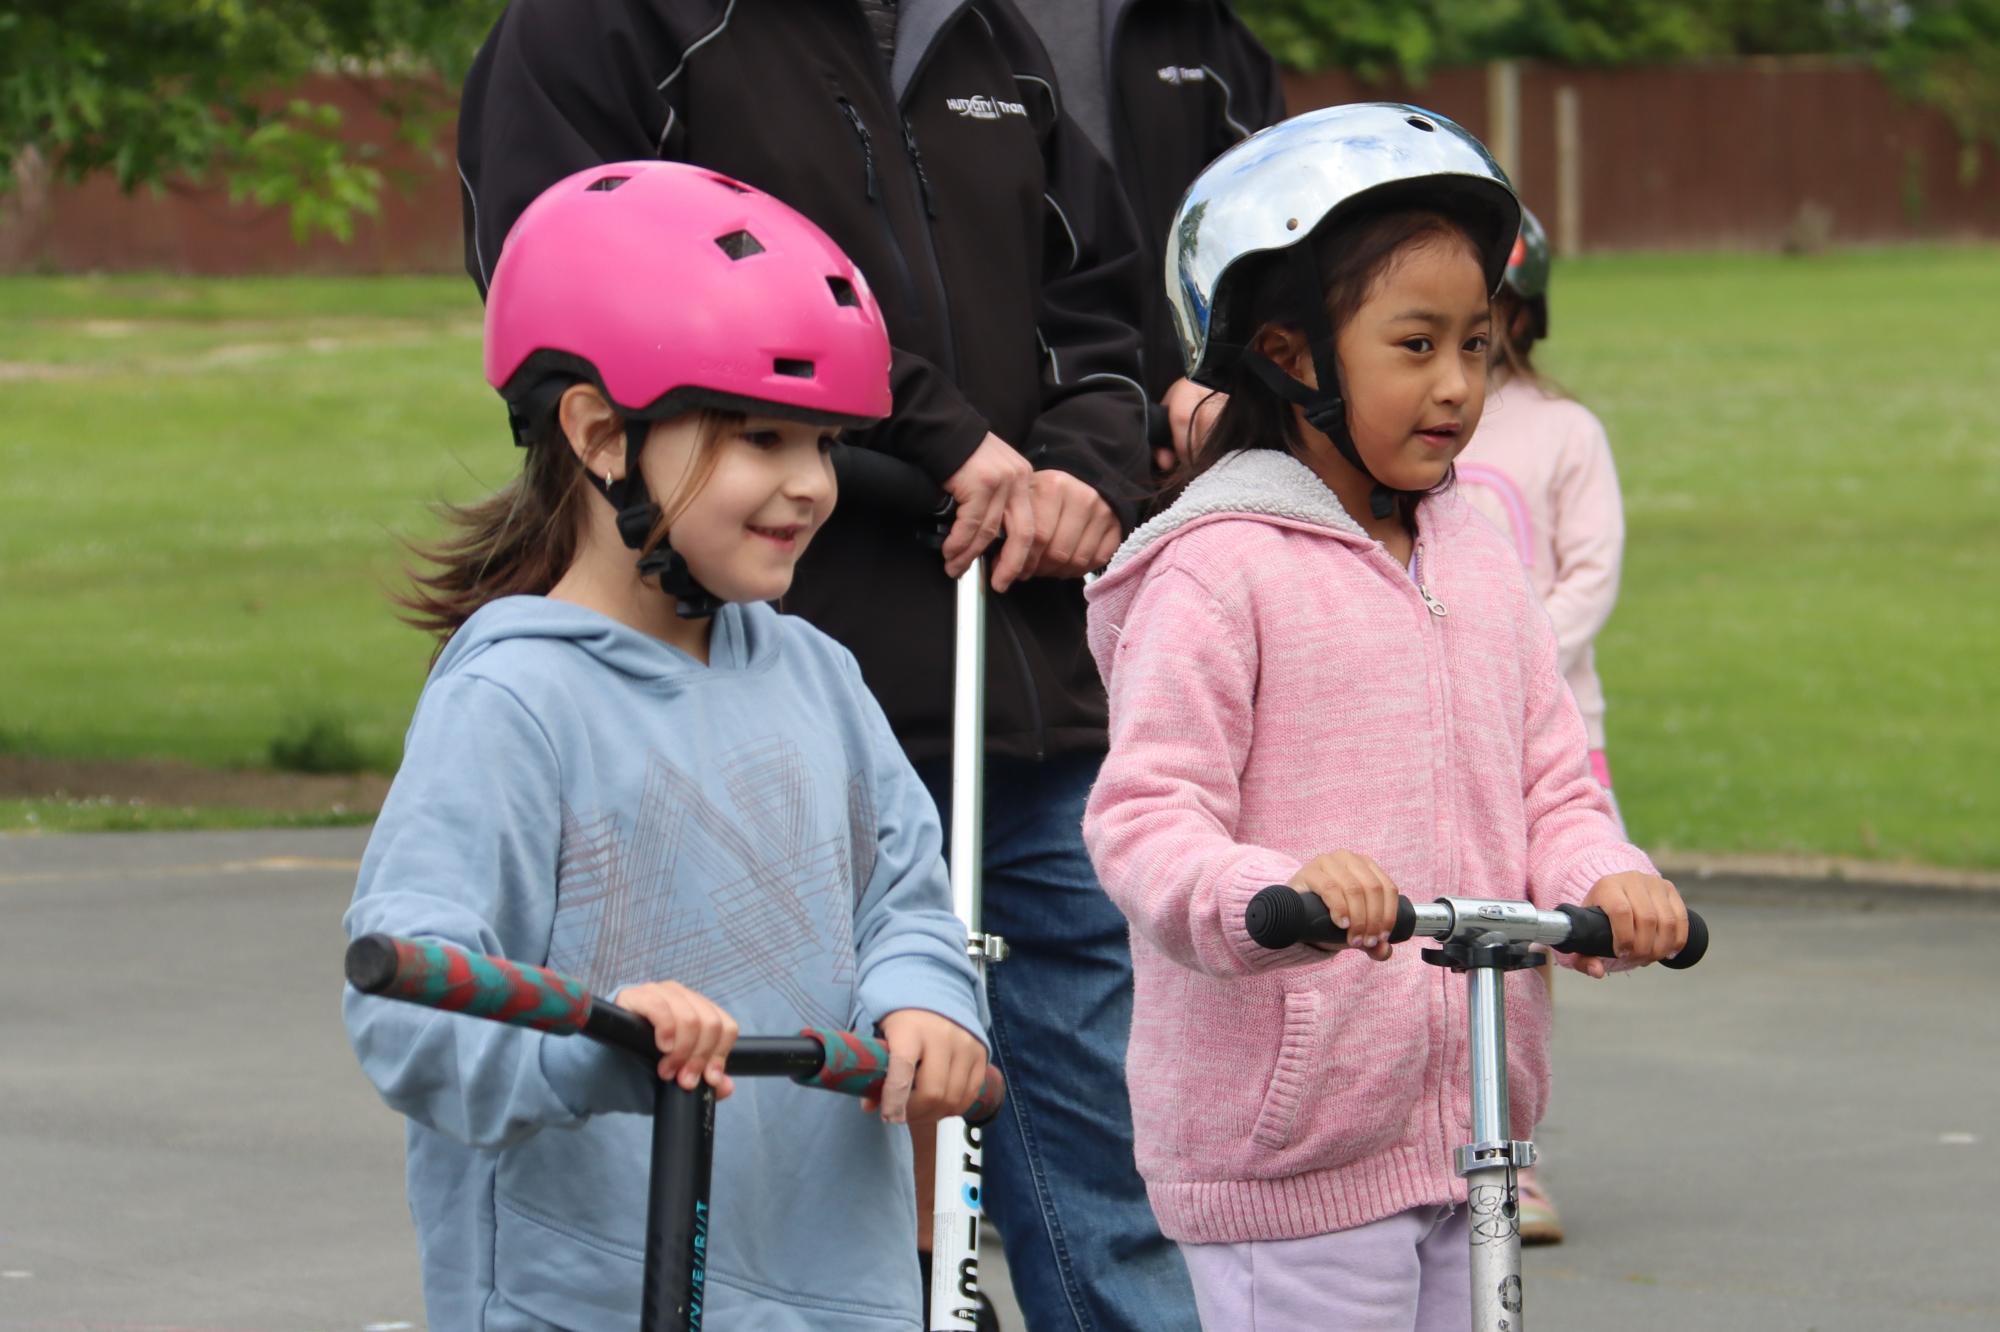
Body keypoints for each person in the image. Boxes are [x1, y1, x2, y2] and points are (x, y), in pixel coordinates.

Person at [455, 6, 1188, 1328]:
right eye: (766, 441)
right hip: (761, 666)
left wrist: (1079, 469)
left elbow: (1107, 310)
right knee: (788, 1173)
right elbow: (576, 273)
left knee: (1098, 1196)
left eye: (803, 443)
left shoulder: (983, 36)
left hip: (1011, 675)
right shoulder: (608, 26)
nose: (789, 470)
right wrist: (936, 436)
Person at [343, 160, 990, 1331]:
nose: (809, 486)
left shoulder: (816, 677)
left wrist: (925, 1006)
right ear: (598, 433)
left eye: (825, 444)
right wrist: (598, 1037)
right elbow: (406, 1006)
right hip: (587, 1294)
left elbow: (904, 902)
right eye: (761, 437)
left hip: (836, 1291)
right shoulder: (515, 700)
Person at [1079, 104, 1691, 1329]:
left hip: (1471, 1125)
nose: (1458, 386)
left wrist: (1605, 875)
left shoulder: (1476, 547)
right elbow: (1146, 818)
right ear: (1288, 353)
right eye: (1413, 346)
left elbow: (1549, 786)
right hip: (1291, 1145)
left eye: (1476, 344)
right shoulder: (1217, 570)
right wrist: (1275, 891)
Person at [1453, 205, 1628, 1244]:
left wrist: (1503, 662)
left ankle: (1510, 1158)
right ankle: (1427, 1147)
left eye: (1488, 319)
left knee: (1521, 948)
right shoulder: (1411, 423)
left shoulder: (1562, 431)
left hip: (1546, 732)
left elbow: (1589, 577)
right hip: (1431, 732)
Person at [1007, 0, 1287, 471]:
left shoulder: (1203, 26)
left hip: (1183, 452)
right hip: (986, 466)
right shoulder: (943, 23)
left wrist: (1231, 373)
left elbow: (1278, 225)